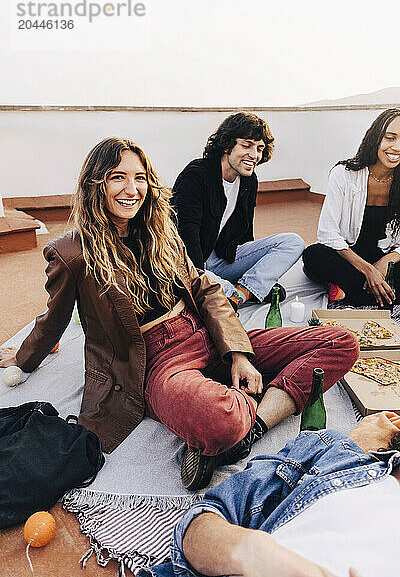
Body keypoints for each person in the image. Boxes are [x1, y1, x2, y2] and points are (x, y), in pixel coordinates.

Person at [0, 138, 358, 491]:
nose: (132, 189)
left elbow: (204, 289)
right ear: (96, 183)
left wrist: (239, 354)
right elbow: (53, 318)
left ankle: (254, 429)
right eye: (117, 177)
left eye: (139, 177)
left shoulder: (159, 232)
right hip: (154, 360)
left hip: (206, 334)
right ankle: (237, 415)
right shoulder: (72, 253)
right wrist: (23, 357)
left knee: (340, 343)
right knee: (223, 420)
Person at [143, 412, 400, 577]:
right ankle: (242, 427)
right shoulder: (333, 451)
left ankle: (241, 428)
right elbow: (197, 529)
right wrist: (253, 551)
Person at [172, 112, 305, 310]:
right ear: (227, 145)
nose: (255, 155)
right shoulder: (196, 174)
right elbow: (185, 234)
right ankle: (237, 291)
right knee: (223, 288)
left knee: (294, 242)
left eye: (259, 148)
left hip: (222, 258)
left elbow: (245, 231)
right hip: (189, 262)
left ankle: (242, 293)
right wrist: (200, 276)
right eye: (247, 145)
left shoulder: (248, 180)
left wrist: (249, 270)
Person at [303, 108, 400, 308]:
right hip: (349, 257)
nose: (396, 147)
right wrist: (368, 270)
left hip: (385, 259)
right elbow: (327, 233)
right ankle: (374, 293)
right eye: (390, 138)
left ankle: (352, 291)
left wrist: (386, 262)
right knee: (314, 256)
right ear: (376, 138)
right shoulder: (344, 174)